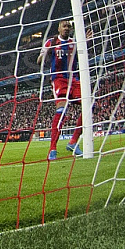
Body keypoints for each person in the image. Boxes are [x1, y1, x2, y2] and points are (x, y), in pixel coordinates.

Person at [37, 19, 90, 160]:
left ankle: (73, 142)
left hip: (74, 79)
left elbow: (83, 56)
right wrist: (45, 54)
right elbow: (38, 60)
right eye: (64, 26)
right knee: (61, 110)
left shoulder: (74, 43)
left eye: (68, 26)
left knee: (88, 106)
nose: (66, 28)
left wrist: (85, 43)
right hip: (59, 80)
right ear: (59, 29)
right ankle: (52, 148)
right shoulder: (52, 42)